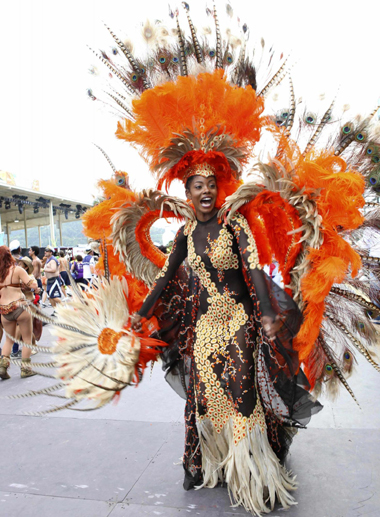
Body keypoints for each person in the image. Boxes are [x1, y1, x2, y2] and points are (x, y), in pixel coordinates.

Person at [131, 171, 322, 512]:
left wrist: (265, 313)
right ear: (188, 193)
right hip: (204, 328)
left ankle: (255, 476)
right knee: (209, 396)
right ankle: (219, 464)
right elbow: (164, 276)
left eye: (211, 185)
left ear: (218, 190)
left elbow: (254, 269)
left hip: (238, 321)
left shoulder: (234, 225)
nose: (206, 191)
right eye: (198, 186)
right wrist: (142, 313)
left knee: (242, 391)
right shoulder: (185, 234)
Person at [0, 246, 38, 380]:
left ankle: (3, 366)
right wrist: (33, 285)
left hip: (4, 310)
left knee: (9, 340)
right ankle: (25, 369)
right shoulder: (17, 270)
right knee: (27, 339)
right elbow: (33, 285)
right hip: (20, 307)